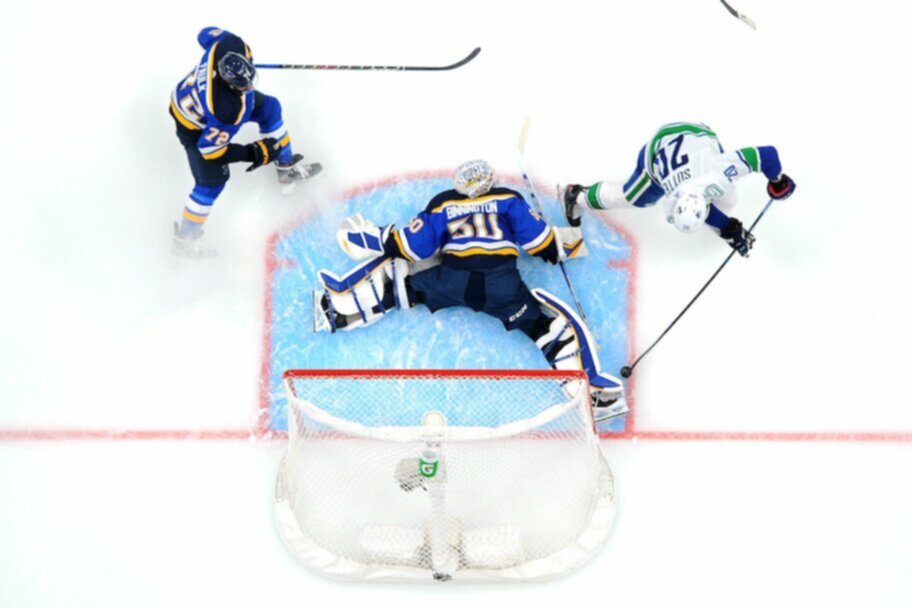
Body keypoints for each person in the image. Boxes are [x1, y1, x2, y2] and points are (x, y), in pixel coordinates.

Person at [315, 160, 628, 421]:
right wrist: (569, 242)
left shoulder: (444, 202)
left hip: (454, 280)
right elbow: (541, 243)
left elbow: (412, 247)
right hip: (501, 287)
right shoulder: (507, 199)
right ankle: (590, 397)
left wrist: (381, 239)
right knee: (549, 330)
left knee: (402, 284)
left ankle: (337, 313)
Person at [169, 26, 322, 257]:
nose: (250, 86)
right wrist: (253, 152)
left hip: (195, 95)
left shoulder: (230, 44)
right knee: (211, 184)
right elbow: (209, 150)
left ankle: (286, 169)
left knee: (270, 108)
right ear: (230, 84)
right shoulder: (226, 111)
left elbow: (204, 33)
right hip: (194, 124)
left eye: (250, 78)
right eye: (243, 85)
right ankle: (184, 242)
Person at [562, 121, 795, 256]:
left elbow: (767, 155)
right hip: (678, 143)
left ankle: (577, 196)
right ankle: (579, 196)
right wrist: (777, 181)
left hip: (676, 144)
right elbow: (766, 156)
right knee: (631, 196)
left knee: (634, 197)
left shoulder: (719, 171)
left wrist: (778, 180)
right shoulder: (675, 199)